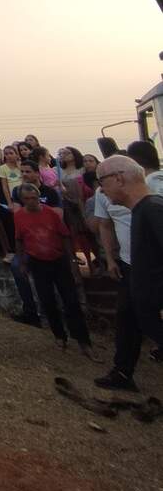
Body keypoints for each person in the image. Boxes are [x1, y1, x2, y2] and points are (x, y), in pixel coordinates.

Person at [93, 154, 163, 391]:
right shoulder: (142, 210)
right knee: (127, 319)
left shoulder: (153, 210)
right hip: (139, 285)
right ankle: (122, 373)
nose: (101, 191)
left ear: (119, 179)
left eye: (102, 182)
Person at [13, 182, 94, 358]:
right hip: (37, 261)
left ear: (38, 197)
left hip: (58, 260)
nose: (31, 202)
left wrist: (72, 262)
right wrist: (22, 262)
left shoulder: (50, 213)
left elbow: (65, 237)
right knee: (47, 301)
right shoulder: (19, 216)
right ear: (22, 200)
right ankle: (60, 335)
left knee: (71, 301)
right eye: (27, 199)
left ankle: (83, 340)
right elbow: (19, 239)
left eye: (34, 198)